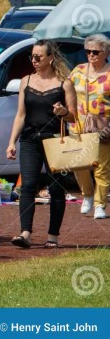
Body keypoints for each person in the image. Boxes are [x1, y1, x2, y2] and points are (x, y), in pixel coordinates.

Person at [6, 39, 76, 248]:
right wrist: (12, 141)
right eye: (32, 57)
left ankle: (52, 236)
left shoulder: (65, 83)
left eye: (38, 57)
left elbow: (73, 116)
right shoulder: (26, 81)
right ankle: (25, 233)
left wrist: (63, 112)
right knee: (27, 186)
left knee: (56, 188)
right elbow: (20, 115)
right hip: (29, 139)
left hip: (55, 140)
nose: (34, 61)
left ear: (50, 58)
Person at [70, 34, 110, 219]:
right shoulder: (77, 71)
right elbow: (66, 91)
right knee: (79, 163)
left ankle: (100, 204)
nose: (91, 55)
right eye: (88, 51)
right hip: (78, 125)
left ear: (105, 52)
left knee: (102, 166)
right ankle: (87, 194)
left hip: (103, 125)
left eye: (95, 52)